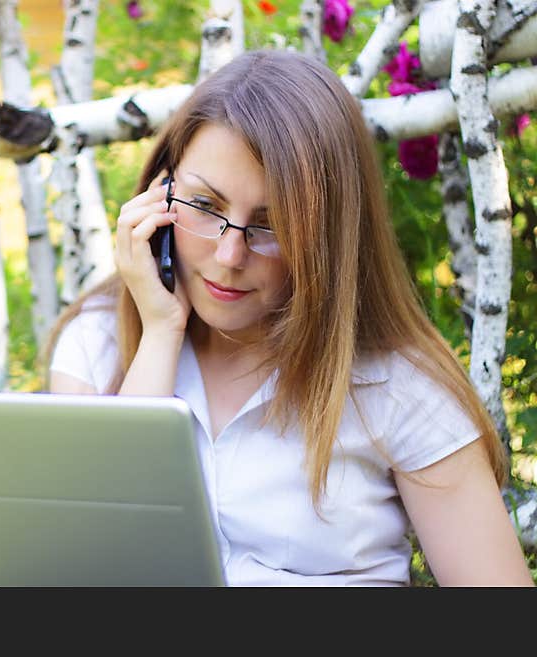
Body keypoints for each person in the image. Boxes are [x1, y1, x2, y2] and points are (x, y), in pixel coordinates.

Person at [44, 50, 534, 586]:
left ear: (327, 238)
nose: (230, 256)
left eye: (271, 225)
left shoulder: (398, 385)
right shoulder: (97, 342)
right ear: (160, 191)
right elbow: (97, 566)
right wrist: (160, 332)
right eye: (205, 205)